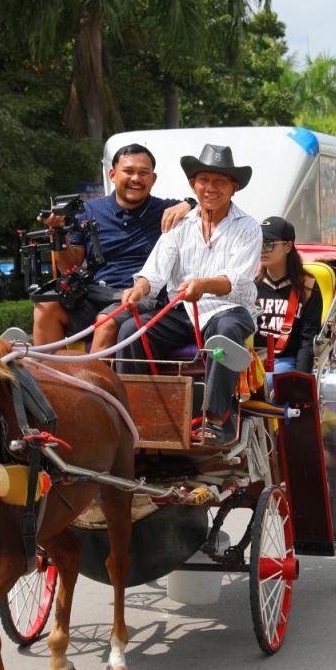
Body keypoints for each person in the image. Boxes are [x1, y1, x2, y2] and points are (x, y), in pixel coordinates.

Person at [117, 144, 262, 445]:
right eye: (203, 180)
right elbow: (153, 274)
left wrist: (203, 285)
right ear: (192, 185)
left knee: (224, 332)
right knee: (131, 330)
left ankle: (215, 418)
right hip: (183, 311)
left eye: (219, 182)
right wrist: (138, 289)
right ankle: (135, 416)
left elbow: (238, 280)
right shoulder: (178, 224)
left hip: (229, 309)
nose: (210, 188)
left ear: (233, 188)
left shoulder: (248, 227)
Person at [31, 144, 193, 349]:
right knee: (46, 307)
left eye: (144, 173)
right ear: (112, 174)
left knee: (105, 321)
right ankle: (51, 377)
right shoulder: (89, 210)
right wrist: (58, 233)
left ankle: (95, 381)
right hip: (95, 294)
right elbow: (69, 267)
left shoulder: (166, 210)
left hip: (140, 296)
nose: (136, 178)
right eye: (128, 171)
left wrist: (189, 203)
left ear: (153, 179)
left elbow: (208, 206)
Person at [254, 216, 323, 377]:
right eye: (258, 243)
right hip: (252, 361)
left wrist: (299, 380)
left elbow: (308, 341)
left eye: (269, 244)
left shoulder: (308, 287)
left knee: (266, 382)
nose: (262, 249)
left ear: (288, 246)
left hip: (285, 361)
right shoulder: (251, 285)